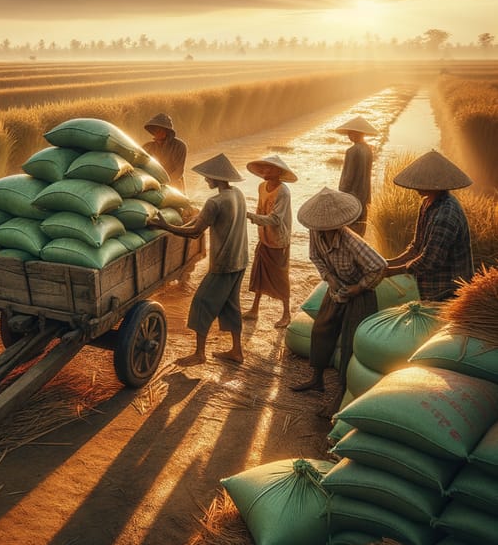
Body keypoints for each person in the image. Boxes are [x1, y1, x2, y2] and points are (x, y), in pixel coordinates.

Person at [292, 187, 386, 417]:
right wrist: (329, 278)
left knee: (350, 345)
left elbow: (380, 265)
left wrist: (358, 288)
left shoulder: (351, 241)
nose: (321, 230)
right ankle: (316, 378)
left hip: (359, 294)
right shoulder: (315, 232)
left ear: (336, 225)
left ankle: (342, 393)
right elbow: (315, 256)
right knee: (321, 329)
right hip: (336, 287)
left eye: (326, 228)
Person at [148, 153, 249, 366]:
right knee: (231, 306)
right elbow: (198, 221)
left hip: (224, 263)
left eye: (208, 177)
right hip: (240, 259)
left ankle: (199, 354)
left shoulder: (215, 202)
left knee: (201, 304)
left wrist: (166, 226)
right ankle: (237, 351)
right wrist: (187, 220)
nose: (206, 180)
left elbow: (195, 232)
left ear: (217, 178)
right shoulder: (237, 194)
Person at [384, 150, 474, 301]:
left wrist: (389, 272)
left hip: (449, 292)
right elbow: (416, 247)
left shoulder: (446, 213)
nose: (416, 186)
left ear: (435, 184)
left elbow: (430, 260)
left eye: (422, 182)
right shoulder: (427, 203)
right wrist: (387, 262)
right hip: (430, 289)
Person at [243, 155, 297, 327]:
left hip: (278, 239)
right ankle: (254, 309)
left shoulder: (283, 192)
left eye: (270, 168)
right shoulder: (262, 187)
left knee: (280, 276)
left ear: (279, 172)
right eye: (264, 168)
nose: (265, 171)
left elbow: (275, 219)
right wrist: (255, 219)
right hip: (264, 236)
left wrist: (251, 216)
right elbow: (261, 209)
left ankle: (286, 314)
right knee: (259, 272)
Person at [335, 115, 378, 236]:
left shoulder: (352, 151)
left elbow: (348, 179)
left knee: (348, 233)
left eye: (350, 133)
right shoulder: (368, 150)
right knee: (359, 234)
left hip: (351, 198)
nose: (349, 136)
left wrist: (341, 196)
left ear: (357, 133)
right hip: (364, 197)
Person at [143, 113, 188, 192]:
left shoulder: (179, 146)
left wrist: (165, 183)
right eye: (154, 130)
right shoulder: (148, 146)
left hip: (174, 184)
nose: (156, 132)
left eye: (159, 130)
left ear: (167, 131)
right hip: (154, 182)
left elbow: (179, 171)